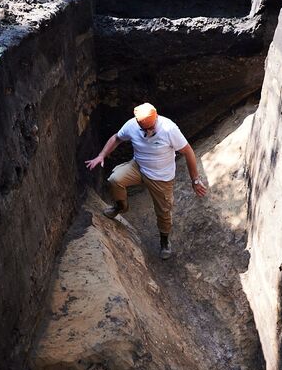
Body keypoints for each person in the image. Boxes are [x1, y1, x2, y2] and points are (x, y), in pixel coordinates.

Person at [85, 102, 206, 260]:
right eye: (146, 129)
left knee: (163, 212)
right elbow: (116, 138)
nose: (150, 131)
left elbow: (188, 151)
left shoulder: (169, 129)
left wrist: (195, 180)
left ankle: (164, 241)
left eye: (152, 127)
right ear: (138, 124)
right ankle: (120, 207)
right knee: (115, 179)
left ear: (156, 118)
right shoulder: (132, 126)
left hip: (161, 177)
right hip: (138, 167)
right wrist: (101, 155)